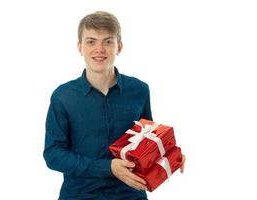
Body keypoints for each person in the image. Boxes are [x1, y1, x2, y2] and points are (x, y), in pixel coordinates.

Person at [43, 11, 185, 200]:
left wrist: (170, 155)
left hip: (129, 194)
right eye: (91, 41)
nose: (99, 49)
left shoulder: (139, 90)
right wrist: (108, 167)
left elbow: (146, 144)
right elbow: (53, 154)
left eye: (108, 41)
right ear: (80, 47)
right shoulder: (63, 96)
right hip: (80, 194)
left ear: (119, 46)